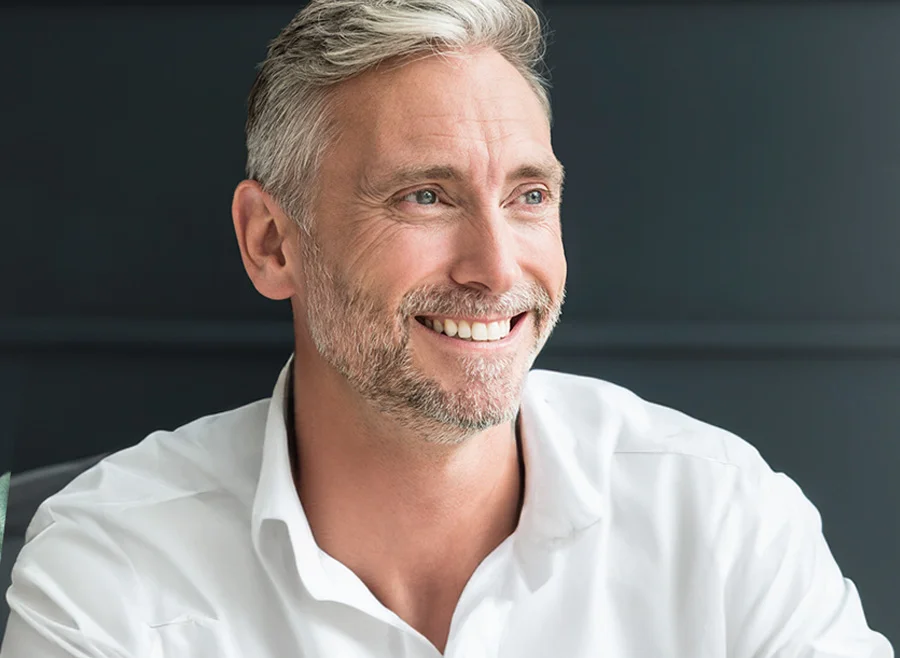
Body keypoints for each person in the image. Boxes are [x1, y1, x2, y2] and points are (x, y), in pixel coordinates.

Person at [1, 0, 893, 656]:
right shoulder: (111, 566)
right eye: (425, 196)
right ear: (272, 243)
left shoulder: (721, 518)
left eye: (529, 196)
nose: (499, 269)